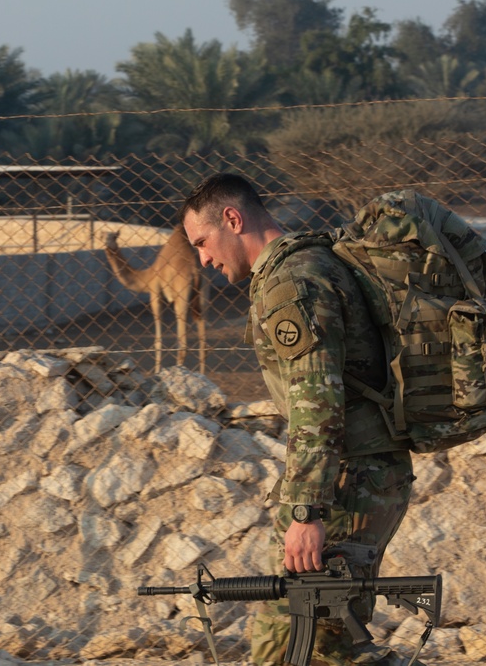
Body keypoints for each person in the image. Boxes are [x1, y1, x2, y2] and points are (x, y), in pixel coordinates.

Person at [179, 173, 418, 666]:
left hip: (348, 479)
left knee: (296, 640)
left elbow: (317, 399)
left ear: (232, 218)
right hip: (358, 473)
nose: (202, 259)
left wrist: (307, 511)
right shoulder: (311, 262)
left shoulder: (293, 283)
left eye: (202, 242)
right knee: (322, 637)